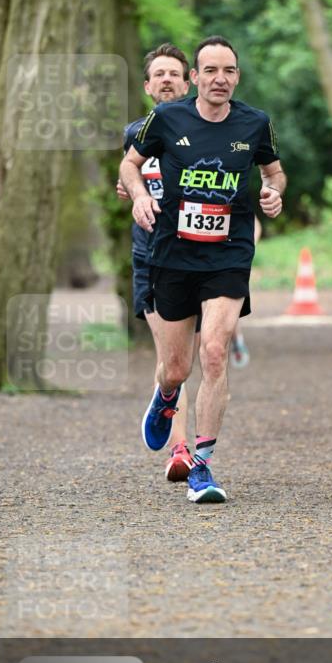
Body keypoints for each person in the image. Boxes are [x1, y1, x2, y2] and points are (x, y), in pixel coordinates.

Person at [119, 35, 286, 504]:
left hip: (228, 253)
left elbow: (274, 172)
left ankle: (203, 465)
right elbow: (130, 165)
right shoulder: (167, 119)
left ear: (237, 76)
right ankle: (166, 395)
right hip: (173, 254)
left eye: (228, 71)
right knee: (176, 368)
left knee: (214, 352)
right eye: (210, 70)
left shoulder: (255, 123)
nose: (219, 79)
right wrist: (139, 195)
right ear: (195, 77)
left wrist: (273, 191)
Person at [116, 43, 196, 481]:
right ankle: (179, 445)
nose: (167, 80)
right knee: (172, 355)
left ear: (188, 83)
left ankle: (172, 419)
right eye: (159, 75)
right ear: (147, 86)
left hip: (198, 257)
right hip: (151, 256)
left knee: (189, 357)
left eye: (174, 74)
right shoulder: (135, 133)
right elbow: (130, 176)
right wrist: (133, 190)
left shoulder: (209, 131)